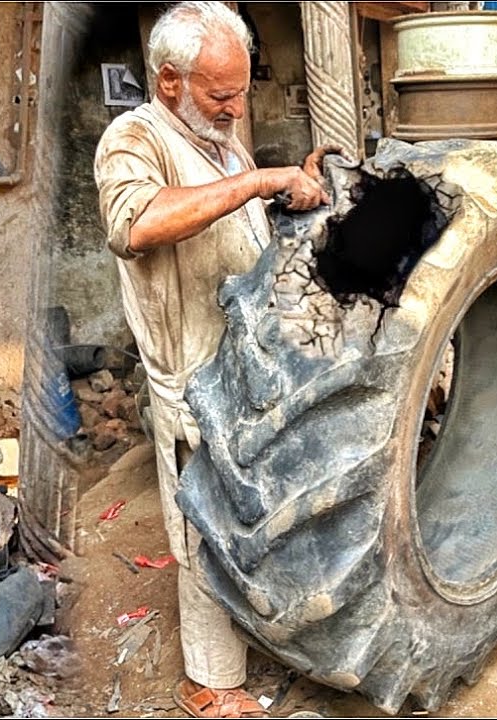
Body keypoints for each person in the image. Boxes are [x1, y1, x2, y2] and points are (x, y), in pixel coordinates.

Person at [94, 3, 339, 717]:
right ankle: (210, 682)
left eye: (240, 90)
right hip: (192, 376)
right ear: (169, 81)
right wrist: (260, 179)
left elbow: (241, 235)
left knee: (250, 520)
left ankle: (249, 638)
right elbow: (138, 225)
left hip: (247, 370)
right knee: (201, 523)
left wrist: (289, 193)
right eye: (219, 94)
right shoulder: (132, 137)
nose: (235, 107)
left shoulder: (221, 143)